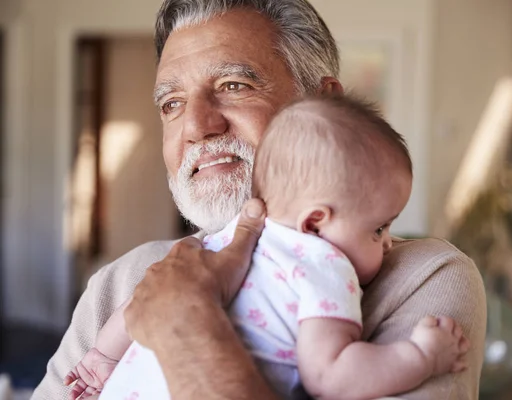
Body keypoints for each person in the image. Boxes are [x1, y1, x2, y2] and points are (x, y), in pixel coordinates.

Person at [33, 1, 487, 399]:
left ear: (323, 103)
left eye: (234, 85)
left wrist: (184, 323)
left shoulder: (422, 277)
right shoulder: (123, 280)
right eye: (171, 103)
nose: (196, 126)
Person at [64, 96, 471, 400]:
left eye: (234, 85)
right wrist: (421, 357)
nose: (385, 243)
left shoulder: (224, 242)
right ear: (315, 223)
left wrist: (102, 358)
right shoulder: (327, 266)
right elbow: (329, 376)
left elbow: (140, 306)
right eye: (378, 228)